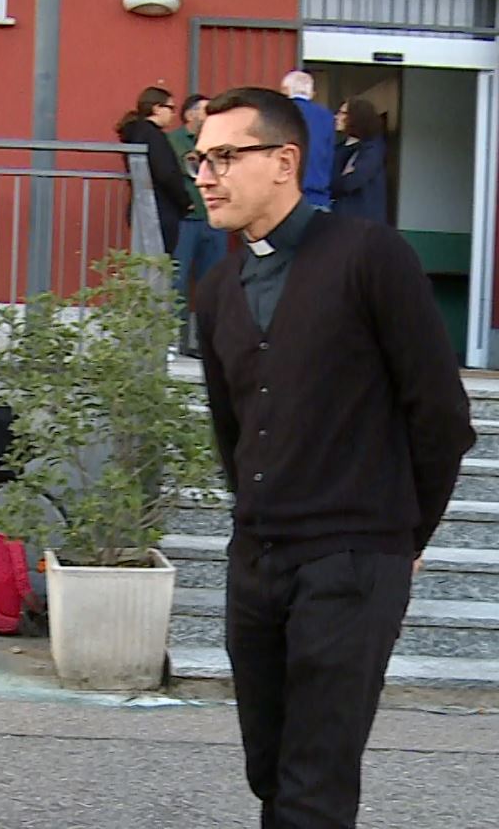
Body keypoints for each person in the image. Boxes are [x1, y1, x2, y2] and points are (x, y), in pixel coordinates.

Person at [188, 86, 474, 828]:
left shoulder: (370, 256)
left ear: (284, 161)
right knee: (270, 769)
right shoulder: (217, 289)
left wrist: (408, 537)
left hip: (351, 559)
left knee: (315, 784)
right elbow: (232, 427)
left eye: (224, 156)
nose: (205, 174)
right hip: (257, 561)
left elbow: (440, 414)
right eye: (198, 158)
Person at [167, 93, 228, 352]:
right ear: (190, 114)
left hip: (215, 219)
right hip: (186, 219)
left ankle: (207, 345)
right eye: (205, 110)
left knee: (212, 284)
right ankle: (173, 342)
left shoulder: (218, 141)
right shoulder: (175, 141)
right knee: (177, 283)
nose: (210, 115)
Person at [117, 85, 193, 255]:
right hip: (160, 208)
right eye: (171, 108)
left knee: (146, 260)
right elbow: (166, 173)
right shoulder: (153, 135)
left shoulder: (136, 132)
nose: (173, 114)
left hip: (144, 205)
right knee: (159, 264)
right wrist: (185, 201)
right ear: (157, 108)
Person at [281, 70, 335, 209]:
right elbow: (329, 158)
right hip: (318, 196)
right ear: (310, 92)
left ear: (286, 90)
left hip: (283, 195)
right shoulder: (326, 116)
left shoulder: (279, 112)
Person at [331, 97, 389, 224]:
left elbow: (352, 181)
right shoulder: (339, 148)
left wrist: (338, 182)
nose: (336, 117)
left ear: (357, 117)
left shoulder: (372, 148)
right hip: (339, 220)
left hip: (362, 223)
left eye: (343, 113)